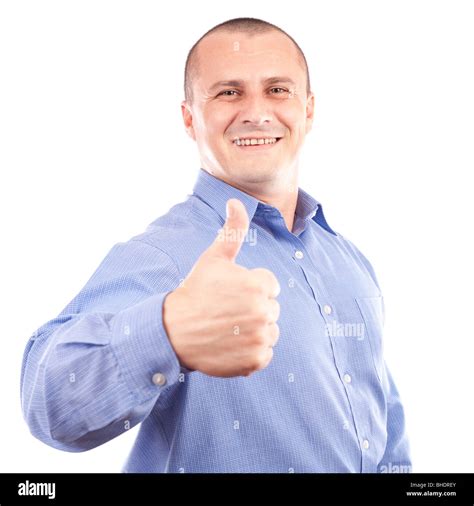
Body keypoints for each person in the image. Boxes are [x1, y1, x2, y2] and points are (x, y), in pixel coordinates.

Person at [21, 17, 411, 473]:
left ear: (308, 110)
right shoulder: (166, 256)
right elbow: (48, 406)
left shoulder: (349, 260)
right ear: (190, 118)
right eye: (229, 92)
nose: (257, 112)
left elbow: (385, 431)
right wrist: (167, 332)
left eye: (277, 90)